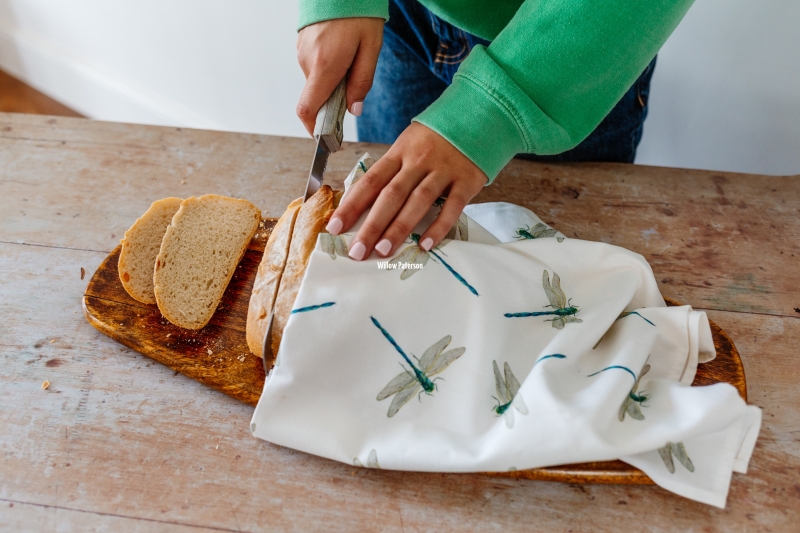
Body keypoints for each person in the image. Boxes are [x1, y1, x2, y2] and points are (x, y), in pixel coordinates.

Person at [295, 0, 694, 260]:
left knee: (566, 271)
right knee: (390, 252)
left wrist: (493, 112)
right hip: (398, 19)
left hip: (571, 57)